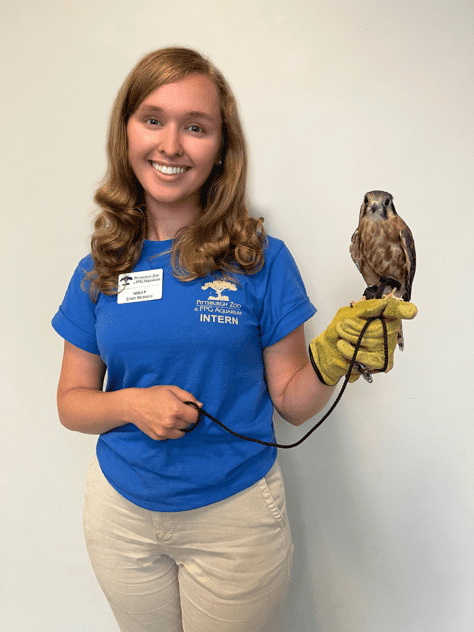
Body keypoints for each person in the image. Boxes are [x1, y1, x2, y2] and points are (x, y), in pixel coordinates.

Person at [52, 47, 416, 632]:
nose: (171, 145)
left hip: (235, 520)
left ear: (221, 148)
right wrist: (131, 405)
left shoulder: (262, 260)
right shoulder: (99, 268)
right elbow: (72, 402)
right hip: (120, 519)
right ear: (125, 134)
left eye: (195, 127)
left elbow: (292, 403)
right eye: (153, 119)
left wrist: (332, 358)